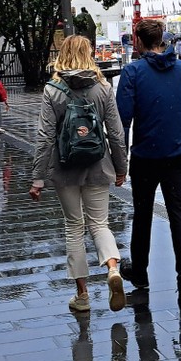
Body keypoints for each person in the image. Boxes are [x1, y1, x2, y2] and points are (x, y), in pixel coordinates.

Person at [28, 35, 129, 313]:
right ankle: (111, 268)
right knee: (99, 224)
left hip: (65, 167)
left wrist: (38, 178)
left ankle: (82, 296)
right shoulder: (103, 87)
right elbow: (116, 133)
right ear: (89, 53)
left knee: (74, 227)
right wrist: (121, 167)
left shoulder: (53, 89)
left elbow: (44, 136)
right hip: (98, 165)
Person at [116, 18, 181, 309]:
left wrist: (121, 158)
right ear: (162, 40)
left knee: (142, 214)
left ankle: (140, 273)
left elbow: (123, 120)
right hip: (177, 155)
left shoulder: (132, 72)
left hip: (145, 156)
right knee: (178, 215)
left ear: (139, 41)